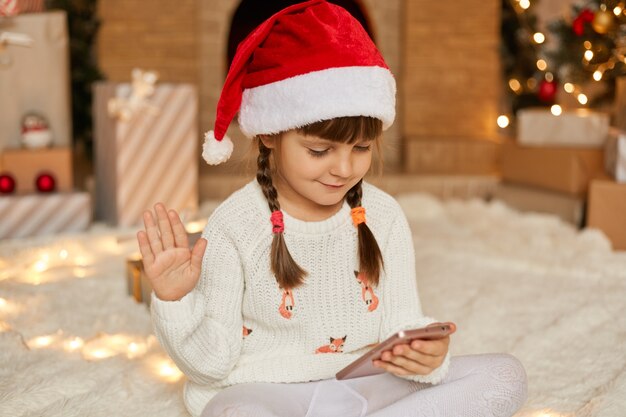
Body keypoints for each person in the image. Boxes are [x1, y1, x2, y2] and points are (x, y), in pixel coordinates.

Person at [136, 1, 528, 416]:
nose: (344, 169)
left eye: (360, 149)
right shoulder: (235, 224)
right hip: (271, 393)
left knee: (506, 374)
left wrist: (426, 356)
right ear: (269, 134)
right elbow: (211, 368)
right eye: (320, 150)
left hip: (364, 387)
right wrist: (176, 302)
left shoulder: (385, 216)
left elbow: (401, 323)